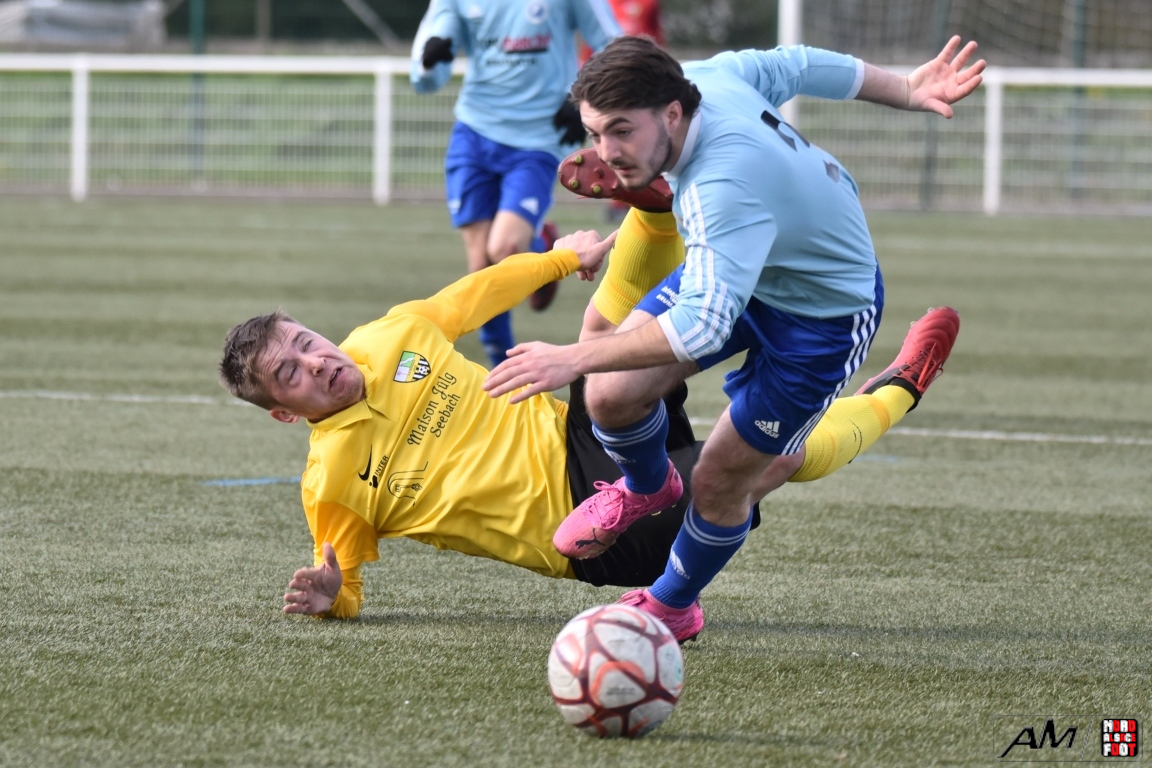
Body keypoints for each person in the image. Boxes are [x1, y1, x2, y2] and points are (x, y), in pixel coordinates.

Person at [483, 35, 981, 640]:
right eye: (595, 133)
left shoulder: (720, 187)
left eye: (621, 130)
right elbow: (798, 64)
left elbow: (702, 327)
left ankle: (674, 604)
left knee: (721, 478)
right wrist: (902, 87)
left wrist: (571, 358)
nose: (606, 152)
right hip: (748, 265)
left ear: (672, 112)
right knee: (608, 393)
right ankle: (646, 486)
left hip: (822, 316)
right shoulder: (706, 78)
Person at [219, 229, 957, 630]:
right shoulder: (332, 483)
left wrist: (566, 257)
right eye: (290, 373)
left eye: (306, 342)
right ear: (284, 412)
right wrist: (330, 594)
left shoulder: (386, 337)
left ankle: (653, 210)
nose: (316, 363)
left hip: (584, 433)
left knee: (606, 335)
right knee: (767, 460)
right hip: (588, 533)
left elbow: (476, 292)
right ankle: (897, 390)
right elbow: (343, 582)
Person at [409, 0, 621, 367]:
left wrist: (585, 96)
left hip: (538, 137)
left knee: (504, 249)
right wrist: (430, 61)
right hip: (474, 132)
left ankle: (540, 249)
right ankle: (502, 369)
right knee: (481, 265)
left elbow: (613, 43)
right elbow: (427, 75)